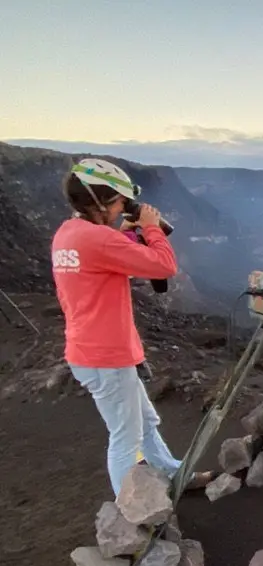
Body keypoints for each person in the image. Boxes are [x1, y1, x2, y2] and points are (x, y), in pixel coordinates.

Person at [50, 158, 210, 496]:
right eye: (121, 201)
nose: (125, 207)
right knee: (126, 439)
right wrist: (150, 227)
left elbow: (106, 256)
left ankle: (174, 475)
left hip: (92, 350)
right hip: (106, 355)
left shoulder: (69, 234)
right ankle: (133, 518)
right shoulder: (97, 240)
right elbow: (163, 266)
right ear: (101, 201)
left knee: (146, 423)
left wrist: (124, 232)